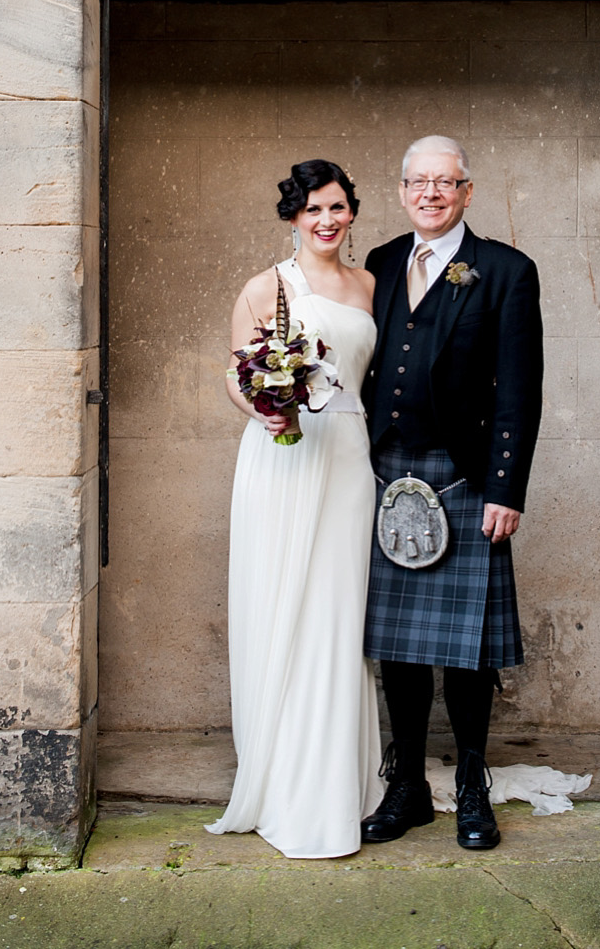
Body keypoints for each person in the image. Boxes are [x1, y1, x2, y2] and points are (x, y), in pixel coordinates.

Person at [360, 135, 542, 851]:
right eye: (417, 182)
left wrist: (506, 488)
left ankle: (471, 785)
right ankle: (407, 788)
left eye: (446, 183)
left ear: (467, 192)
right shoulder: (377, 263)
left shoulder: (504, 270)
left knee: (468, 650)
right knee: (396, 647)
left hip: (465, 477)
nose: (430, 194)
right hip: (380, 474)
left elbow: (519, 393)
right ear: (403, 190)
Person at [204, 160, 382, 858]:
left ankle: (343, 782)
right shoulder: (268, 287)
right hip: (283, 456)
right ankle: (282, 783)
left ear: (351, 211)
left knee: (337, 613)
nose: (327, 220)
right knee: (284, 605)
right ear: (293, 218)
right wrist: (269, 409)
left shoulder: (371, 285)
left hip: (349, 456)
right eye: (313, 210)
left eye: (337, 207)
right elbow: (234, 373)